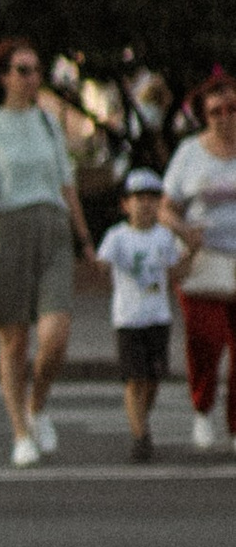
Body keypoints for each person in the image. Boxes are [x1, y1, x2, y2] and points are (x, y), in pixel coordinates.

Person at [0, 39, 96, 465]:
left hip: (52, 229)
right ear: (2, 77)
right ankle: (20, 429)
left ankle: (37, 405)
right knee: (15, 341)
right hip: (7, 229)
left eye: (36, 69)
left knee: (56, 335)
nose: (31, 78)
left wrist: (84, 237)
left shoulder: (47, 122)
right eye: (22, 70)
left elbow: (66, 182)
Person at [162, 68, 236, 455]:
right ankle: (202, 409)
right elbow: (166, 208)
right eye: (215, 112)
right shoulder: (190, 153)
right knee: (206, 340)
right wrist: (182, 229)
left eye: (231, 108)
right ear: (204, 116)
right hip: (204, 261)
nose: (225, 117)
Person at [98, 168, 188, 464]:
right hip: (129, 318)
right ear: (126, 204)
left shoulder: (163, 237)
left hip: (157, 316)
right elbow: (102, 262)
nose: (145, 205)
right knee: (134, 378)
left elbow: (175, 271)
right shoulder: (117, 236)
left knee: (153, 378)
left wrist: (192, 254)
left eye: (151, 198)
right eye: (138, 198)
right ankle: (140, 436)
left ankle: (141, 420)